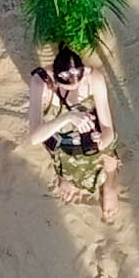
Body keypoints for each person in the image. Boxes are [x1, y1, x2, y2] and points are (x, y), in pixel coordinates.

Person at [25, 43, 123, 220]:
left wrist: (101, 140)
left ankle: (109, 183)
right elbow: (34, 137)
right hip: (61, 137)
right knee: (61, 153)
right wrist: (67, 117)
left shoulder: (94, 78)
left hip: (91, 133)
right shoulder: (41, 82)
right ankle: (67, 177)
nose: (76, 92)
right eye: (69, 89)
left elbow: (108, 129)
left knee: (108, 155)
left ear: (84, 71)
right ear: (55, 77)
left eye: (78, 84)